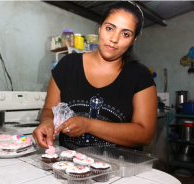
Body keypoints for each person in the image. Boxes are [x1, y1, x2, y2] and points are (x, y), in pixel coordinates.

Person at [33, 1, 157, 150]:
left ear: (133, 40)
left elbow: (145, 135)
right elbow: (49, 110)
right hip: (70, 167)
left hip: (120, 168)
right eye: (110, 28)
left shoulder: (140, 76)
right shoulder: (68, 65)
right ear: (100, 27)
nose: (114, 39)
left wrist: (89, 125)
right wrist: (46, 122)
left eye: (125, 34)